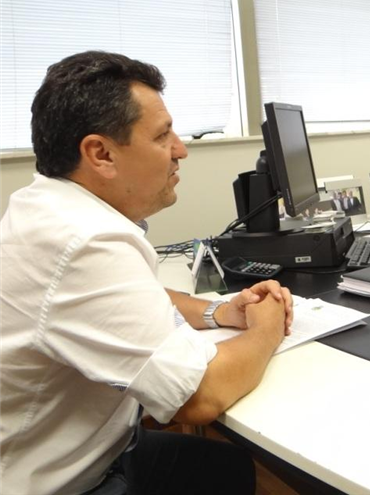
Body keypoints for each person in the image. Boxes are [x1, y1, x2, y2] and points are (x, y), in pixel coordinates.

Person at [0, 51, 295, 495]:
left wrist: (219, 312)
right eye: (162, 136)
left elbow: (133, 298)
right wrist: (267, 326)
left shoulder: (50, 208)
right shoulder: (83, 241)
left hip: (102, 446)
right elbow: (201, 396)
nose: (181, 149)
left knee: (227, 466)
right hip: (62, 484)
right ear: (100, 154)